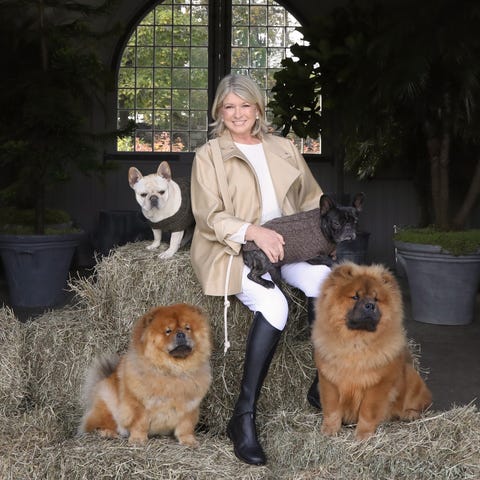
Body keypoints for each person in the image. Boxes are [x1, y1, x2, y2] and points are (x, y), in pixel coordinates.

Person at [190, 74, 329, 465]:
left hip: (288, 242)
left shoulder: (283, 147)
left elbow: (313, 198)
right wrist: (254, 232)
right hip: (234, 247)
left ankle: (323, 384)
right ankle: (243, 415)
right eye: (229, 107)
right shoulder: (210, 155)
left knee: (328, 281)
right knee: (276, 307)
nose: (237, 114)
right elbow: (209, 216)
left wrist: (326, 233)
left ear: (258, 109)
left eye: (245, 106)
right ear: (220, 111)